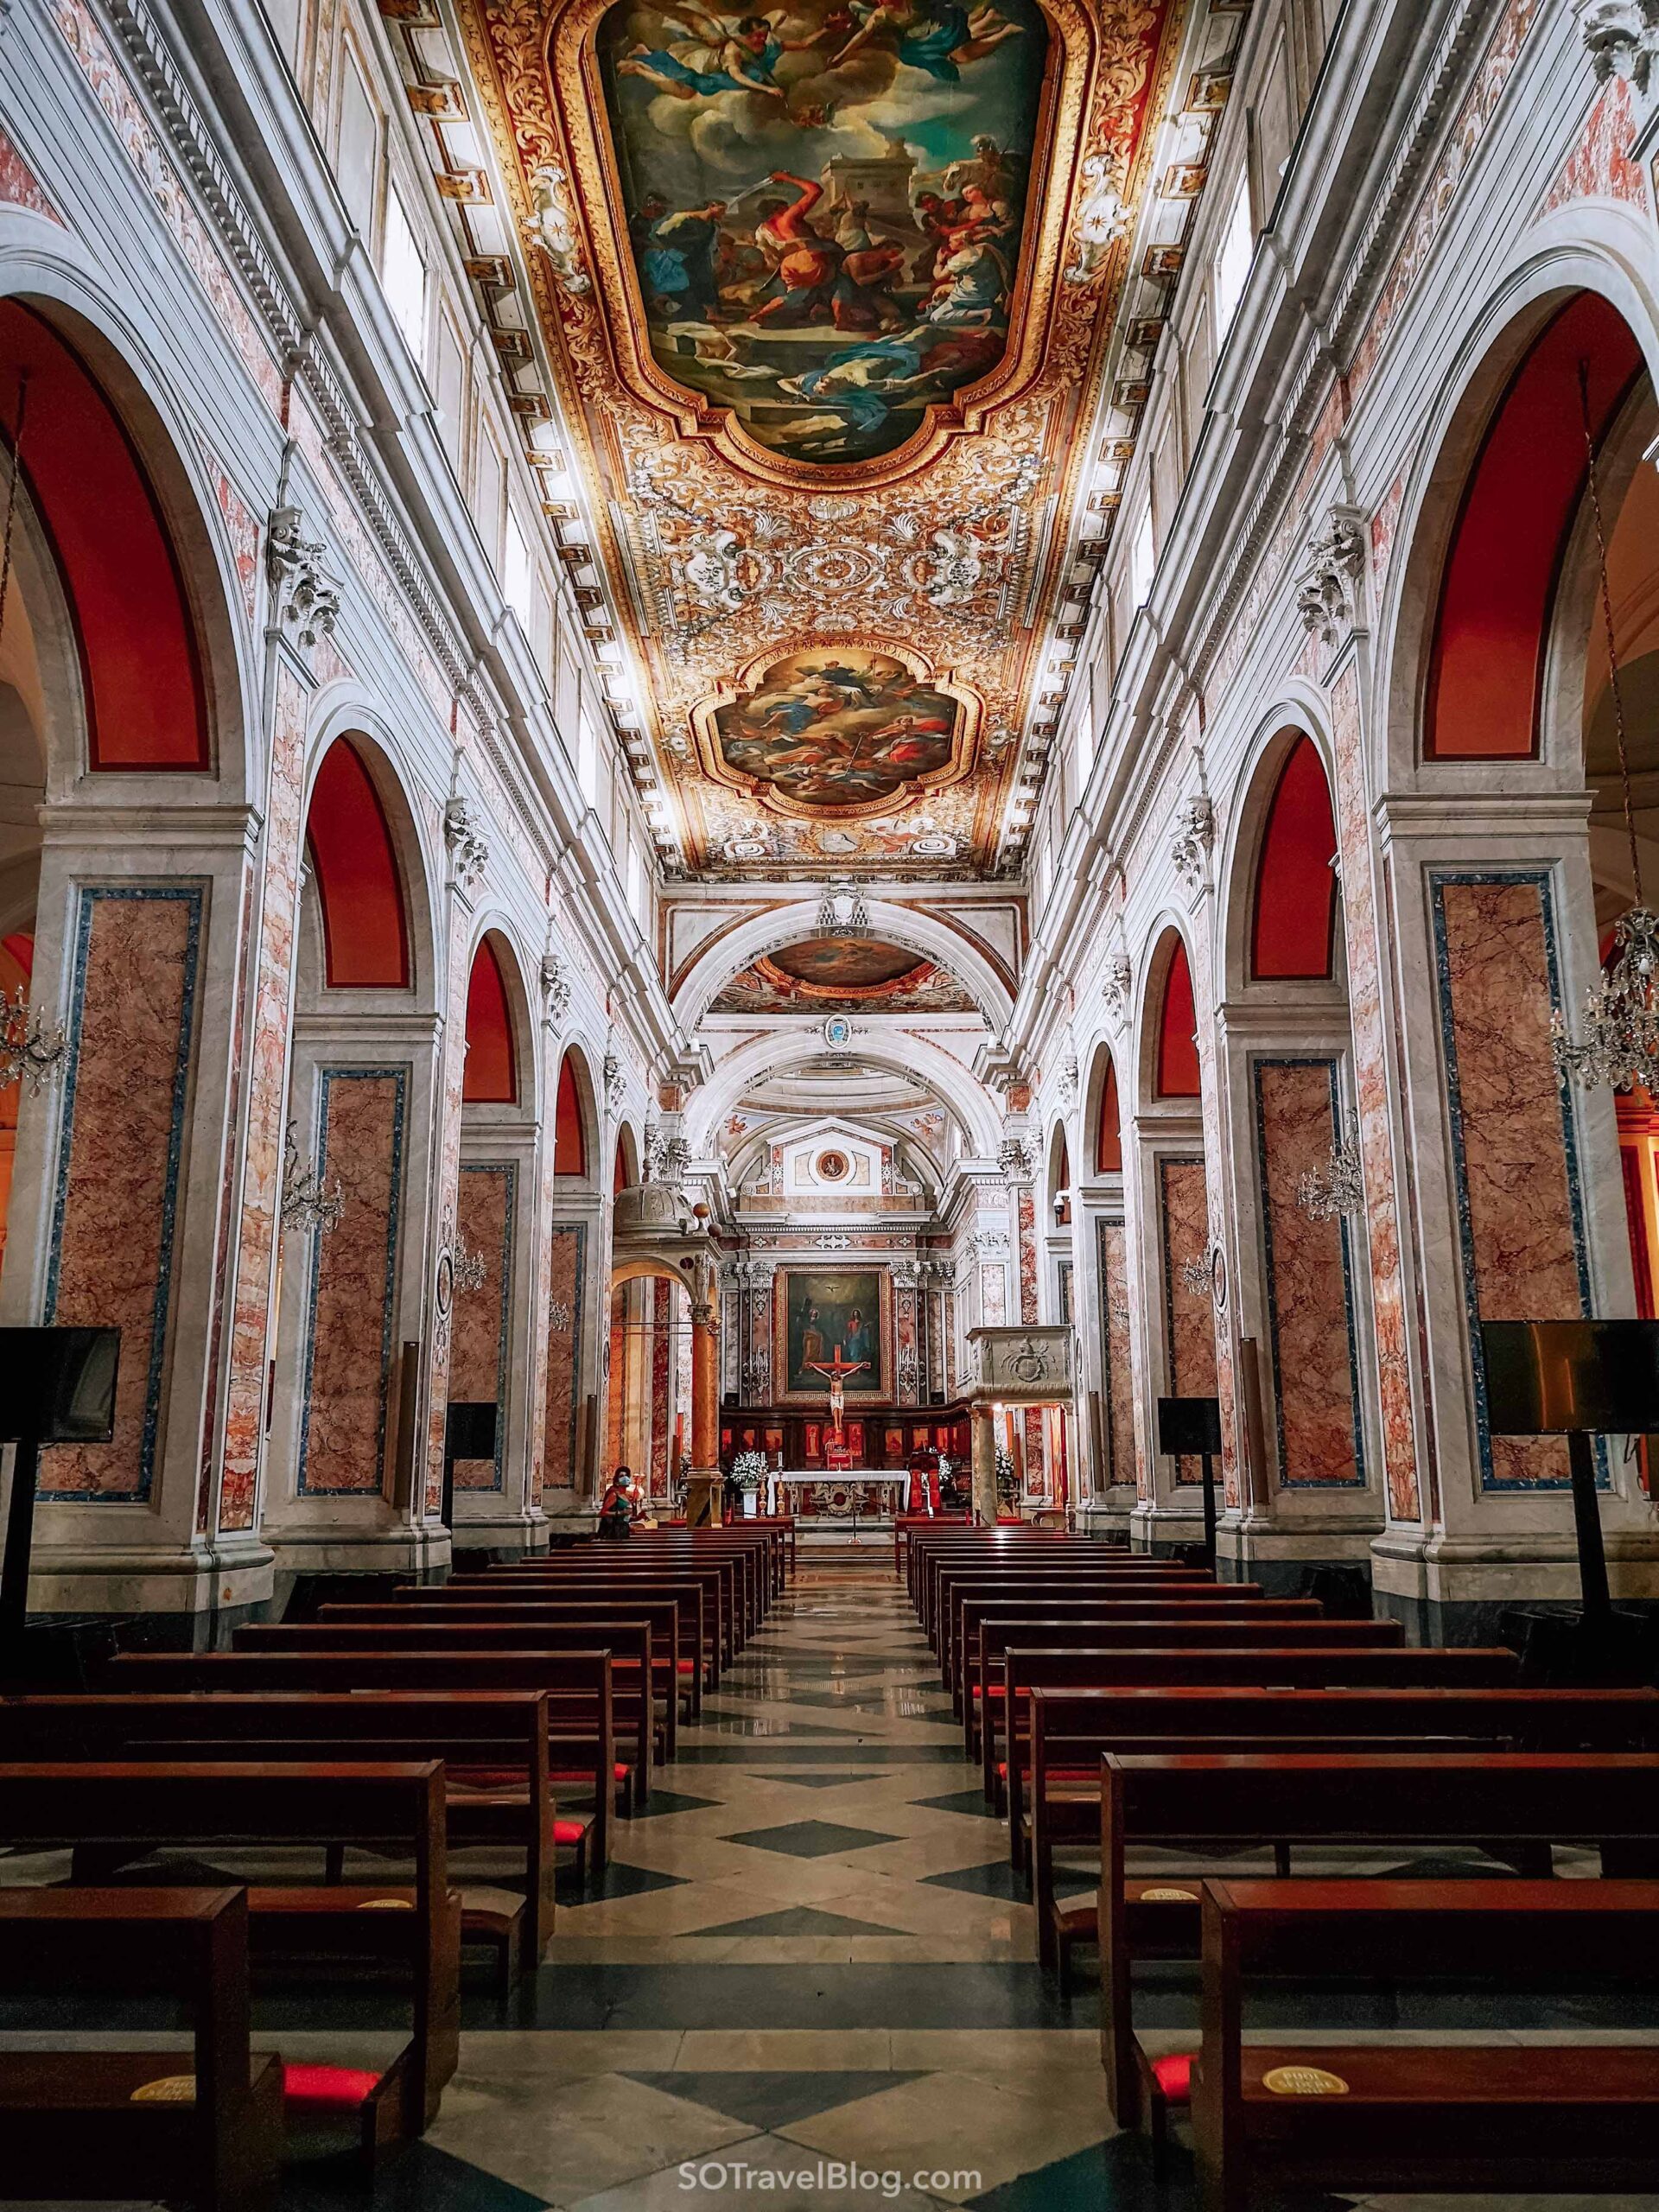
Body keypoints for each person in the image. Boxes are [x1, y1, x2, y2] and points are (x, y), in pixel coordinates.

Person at [598, 1465, 642, 1539]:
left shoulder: (625, 1494)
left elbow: (625, 1516)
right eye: (621, 1476)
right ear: (617, 1480)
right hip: (613, 1530)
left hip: (623, 1529)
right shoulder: (613, 1494)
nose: (625, 1478)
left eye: (626, 1476)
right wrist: (620, 1513)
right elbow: (602, 1512)